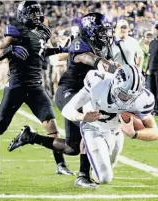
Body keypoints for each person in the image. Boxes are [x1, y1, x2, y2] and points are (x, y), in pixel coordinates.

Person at [9, 12, 118, 188]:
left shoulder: (105, 46)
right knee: (88, 127)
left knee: (72, 148)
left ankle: (31, 137)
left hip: (85, 95)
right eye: (101, 30)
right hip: (68, 92)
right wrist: (101, 63)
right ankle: (83, 176)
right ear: (90, 30)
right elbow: (86, 58)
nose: (105, 34)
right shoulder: (80, 42)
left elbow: (110, 66)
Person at [8, 64, 158, 185]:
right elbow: (67, 110)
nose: (128, 100)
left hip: (116, 131)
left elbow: (154, 132)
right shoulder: (98, 84)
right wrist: (82, 117)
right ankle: (84, 173)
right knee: (105, 178)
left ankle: (93, 165)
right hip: (93, 127)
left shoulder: (142, 98)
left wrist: (134, 134)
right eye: (124, 95)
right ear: (115, 85)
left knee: (103, 172)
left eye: (132, 96)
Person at [0, 1, 73, 175]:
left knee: (52, 126)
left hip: (35, 86)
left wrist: (60, 49)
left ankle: (60, 165)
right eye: (32, 12)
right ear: (22, 13)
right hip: (16, 85)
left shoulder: (43, 30)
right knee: (0, 127)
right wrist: (10, 50)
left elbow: (39, 50)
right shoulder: (14, 28)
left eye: (37, 12)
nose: (36, 16)